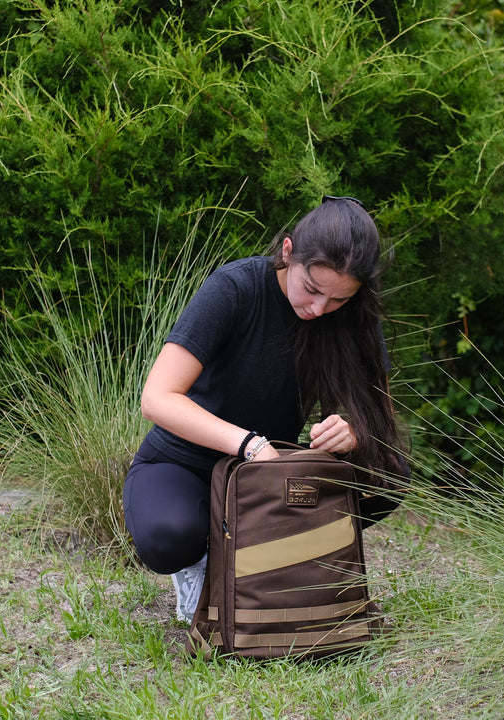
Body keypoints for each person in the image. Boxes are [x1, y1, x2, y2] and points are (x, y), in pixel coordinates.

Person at [122, 195, 409, 622]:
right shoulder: (235, 288)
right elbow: (157, 398)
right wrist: (248, 444)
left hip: (268, 480)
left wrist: (352, 432)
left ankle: (281, 563)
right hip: (183, 464)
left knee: (389, 472)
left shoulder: (352, 316)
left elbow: (380, 416)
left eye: (337, 300)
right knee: (169, 536)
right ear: (288, 252)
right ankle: (205, 567)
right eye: (311, 289)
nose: (318, 309)